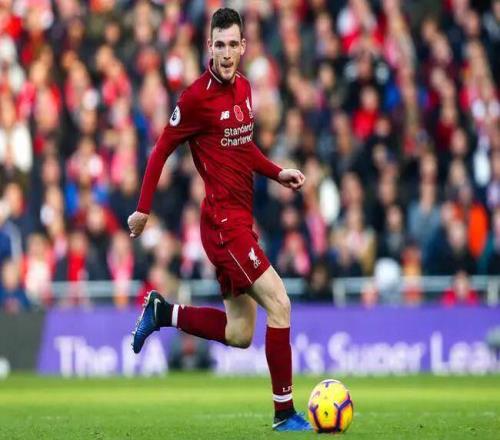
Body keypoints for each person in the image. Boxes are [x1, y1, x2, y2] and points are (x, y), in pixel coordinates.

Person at [127, 8, 310, 432]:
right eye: (219, 45)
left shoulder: (244, 88)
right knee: (280, 304)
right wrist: (143, 209)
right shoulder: (195, 99)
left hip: (241, 220)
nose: (226, 53)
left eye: (233, 45)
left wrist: (276, 172)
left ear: (243, 46)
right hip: (223, 226)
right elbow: (161, 150)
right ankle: (284, 413)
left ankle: (162, 313)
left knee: (240, 332)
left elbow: (243, 148)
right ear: (209, 47)